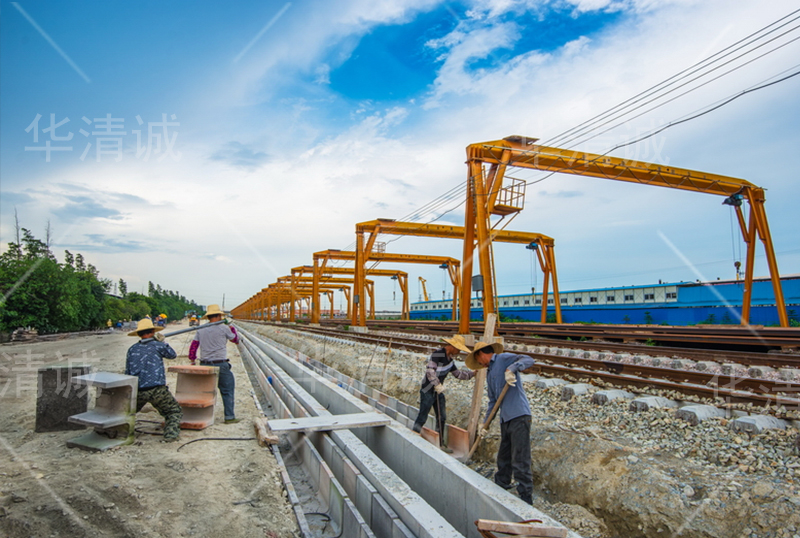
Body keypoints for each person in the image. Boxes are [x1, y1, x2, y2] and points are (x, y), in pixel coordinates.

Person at [466, 340, 535, 504]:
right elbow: (493, 402)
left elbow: (528, 360)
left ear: (481, 354)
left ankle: (526, 497)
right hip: (506, 418)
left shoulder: (503, 359)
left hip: (519, 415)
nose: (480, 364)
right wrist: (485, 424)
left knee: (520, 458)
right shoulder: (489, 373)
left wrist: (512, 369)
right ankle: (501, 485)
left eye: (478, 361)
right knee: (504, 456)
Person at [411, 335, 475, 452]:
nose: (458, 352)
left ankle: (440, 443)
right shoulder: (438, 354)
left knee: (442, 417)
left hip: (437, 391)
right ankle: (413, 436)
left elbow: (458, 374)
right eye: (458, 349)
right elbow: (430, 370)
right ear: (453, 347)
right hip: (428, 389)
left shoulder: (450, 361)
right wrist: (437, 384)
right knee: (423, 415)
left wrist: (472, 374)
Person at [125, 318, 182, 442]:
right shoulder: (158, 345)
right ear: (153, 331)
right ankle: (170, 435)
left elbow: (127, 371)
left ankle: (122, 433)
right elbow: (172, 355)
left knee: (127, 413)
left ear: (139, 334)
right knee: (173, 411)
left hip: (138, 389)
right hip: (157, 389)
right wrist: (163, 342)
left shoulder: (132, 349)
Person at [189, 304, 240, 424]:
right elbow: (235, 340)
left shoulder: (201, 329)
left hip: (204, 365)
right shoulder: (224, 328)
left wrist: (192, 359)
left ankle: (202, 417)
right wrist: (230, 326)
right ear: (218, 316)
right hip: (220, 364)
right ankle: (229, 417)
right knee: (227, 391)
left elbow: (194, 346)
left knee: (205, 392)